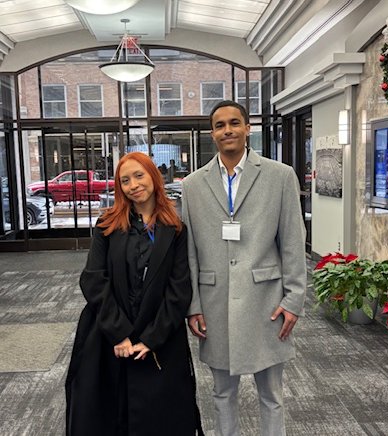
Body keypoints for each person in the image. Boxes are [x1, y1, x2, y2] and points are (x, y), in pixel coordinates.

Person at [182, 100, 307, 436]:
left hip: (267, 302)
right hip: (214, 304)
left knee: (272, 395)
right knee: (222, 393)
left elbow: (293, 241)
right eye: (220, 125)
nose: (228, 130)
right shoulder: (193, 185)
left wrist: (294, 299)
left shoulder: (279, 176)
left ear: (247, 128)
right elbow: (189, 251)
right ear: (212, 133)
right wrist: (193, 305)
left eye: (234, 123)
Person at [65, 152, 203, 436]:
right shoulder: (107, 225)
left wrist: (151, 339)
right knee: (106, 416)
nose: (133, 185)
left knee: (161, 418)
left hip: (159, 338)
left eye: (139, 175)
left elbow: (179, 289)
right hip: (109, 335)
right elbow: (93, 280)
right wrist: (120, 334)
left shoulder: (175, 229)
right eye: (124, 180)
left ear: (154, 176)